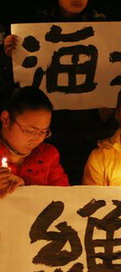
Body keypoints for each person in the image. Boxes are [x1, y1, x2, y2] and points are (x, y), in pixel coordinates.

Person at [2, 0, 115, 185]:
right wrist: (10, 56)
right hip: (50, 130)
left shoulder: (107, 25)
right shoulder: (34, 23)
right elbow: (14, 86)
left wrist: (107, 112)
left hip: (90, 132)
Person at [0, 84, 69, 198]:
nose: (37, 139)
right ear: (6, 119)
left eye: (43, 132)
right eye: (30, 131)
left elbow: (63, 198)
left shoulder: (48, 156)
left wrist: (25, 190)